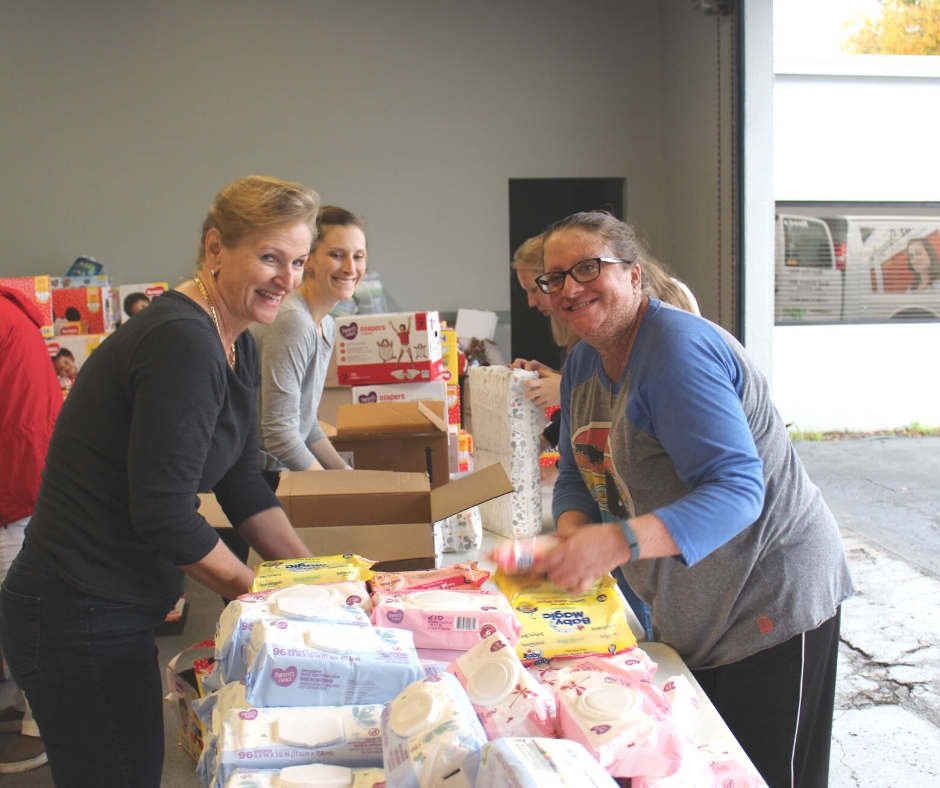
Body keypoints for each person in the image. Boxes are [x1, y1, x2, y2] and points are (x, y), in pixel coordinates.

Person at [0, 175, 319, 788]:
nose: (287, 278)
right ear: (216, 248)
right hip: (75, 610)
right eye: (270, 257)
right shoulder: (182, 340)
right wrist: (267, 599)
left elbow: (243, 483)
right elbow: (165, 514)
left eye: (298, 261)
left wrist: (317, 581)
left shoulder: (234, 340)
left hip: (106, 606)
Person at [531, 211, 854, 788]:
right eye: (554, 278)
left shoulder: (677, 355)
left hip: (769, 598)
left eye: (587, 268)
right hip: (697, 603)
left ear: (633, 275)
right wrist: (573, 534)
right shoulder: (583, 361)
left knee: (766, 774)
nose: (569, 289)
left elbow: (737, 491)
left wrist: (619, 541)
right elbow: (581, 471)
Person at [250, 206, 367, 494]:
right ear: (309, 260)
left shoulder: (325, 325)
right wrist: (332, 489)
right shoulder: (293, 322)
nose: (351, 269)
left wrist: (345, 475)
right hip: (257, 478)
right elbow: (278, 434)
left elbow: (305, 422)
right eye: (336, 255)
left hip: (281, 471)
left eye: (358, 256)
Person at [0, 285, 62, 774]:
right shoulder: (9, 312)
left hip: (13, 485)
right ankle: (28, 711)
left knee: (20, 615)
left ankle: (41, 726)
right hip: (23, 477)